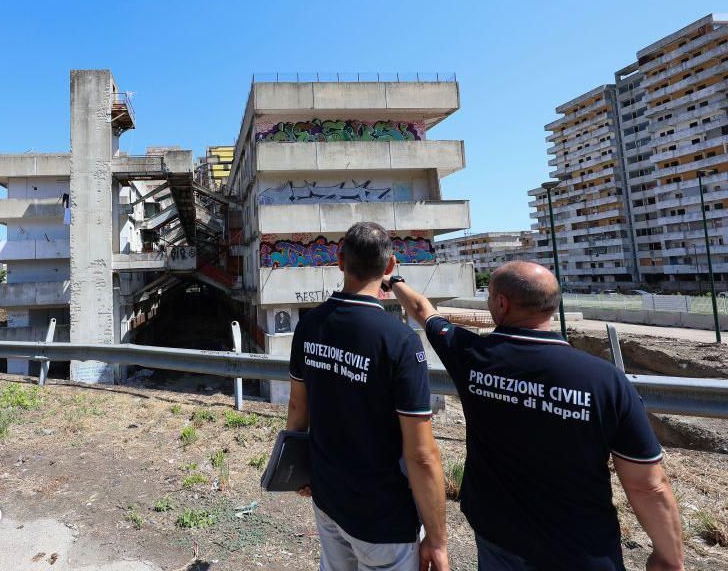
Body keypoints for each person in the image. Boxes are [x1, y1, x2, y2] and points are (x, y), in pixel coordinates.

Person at [387, 261, 683, 571]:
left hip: (498, 538)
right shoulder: (606, 381)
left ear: (501, 304)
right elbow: (647, 485)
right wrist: (670, 557)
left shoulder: (472, 357)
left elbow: (423, 310)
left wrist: (394, 281)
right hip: (583, 549)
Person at [286, 222, 449, 571]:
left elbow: (298, 406)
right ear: (389, 268)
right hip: (383, 518)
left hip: (328, 498)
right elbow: (421, 454)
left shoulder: (309, 325)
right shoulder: (400, 341)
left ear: (339, 260)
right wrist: (436, 540)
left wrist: (299, 469)